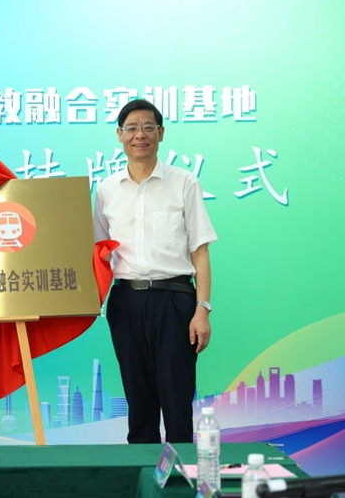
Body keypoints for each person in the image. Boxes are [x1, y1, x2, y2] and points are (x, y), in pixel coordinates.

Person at [93, 99, 217, 444]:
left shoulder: (184, 183)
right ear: (119, 135)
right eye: (131, 128)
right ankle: (143, 471)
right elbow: (99, 253)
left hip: (174, 300)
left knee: (177, 399)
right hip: (125, 301)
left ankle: (182, 472)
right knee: (138, 400)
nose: (140, 135)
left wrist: (202, 310)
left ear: (161, 133)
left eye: (148, 127)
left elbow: (200, 251)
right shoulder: (106, 190)